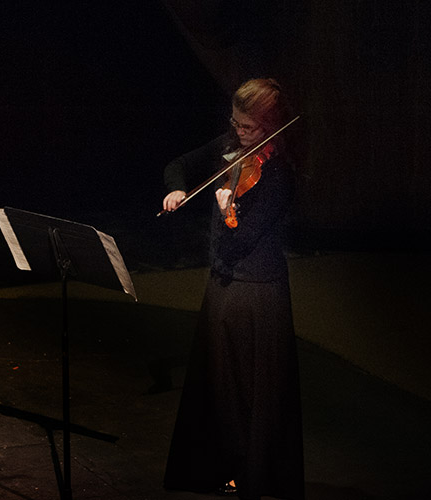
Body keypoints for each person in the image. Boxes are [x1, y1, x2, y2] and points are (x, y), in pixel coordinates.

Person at [161, 78, 304, 500]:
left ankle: (254, 475)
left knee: (253, 392)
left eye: (247, 128)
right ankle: (223, 469)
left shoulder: (280, 174)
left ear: (268, 126)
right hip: (224, 283)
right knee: (220, 386)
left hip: (258, 290)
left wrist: (229, 213)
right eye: (235, 124)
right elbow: (180, 164)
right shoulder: (229, 143)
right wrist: (176, 186)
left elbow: (245, 238)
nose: (238, 133)